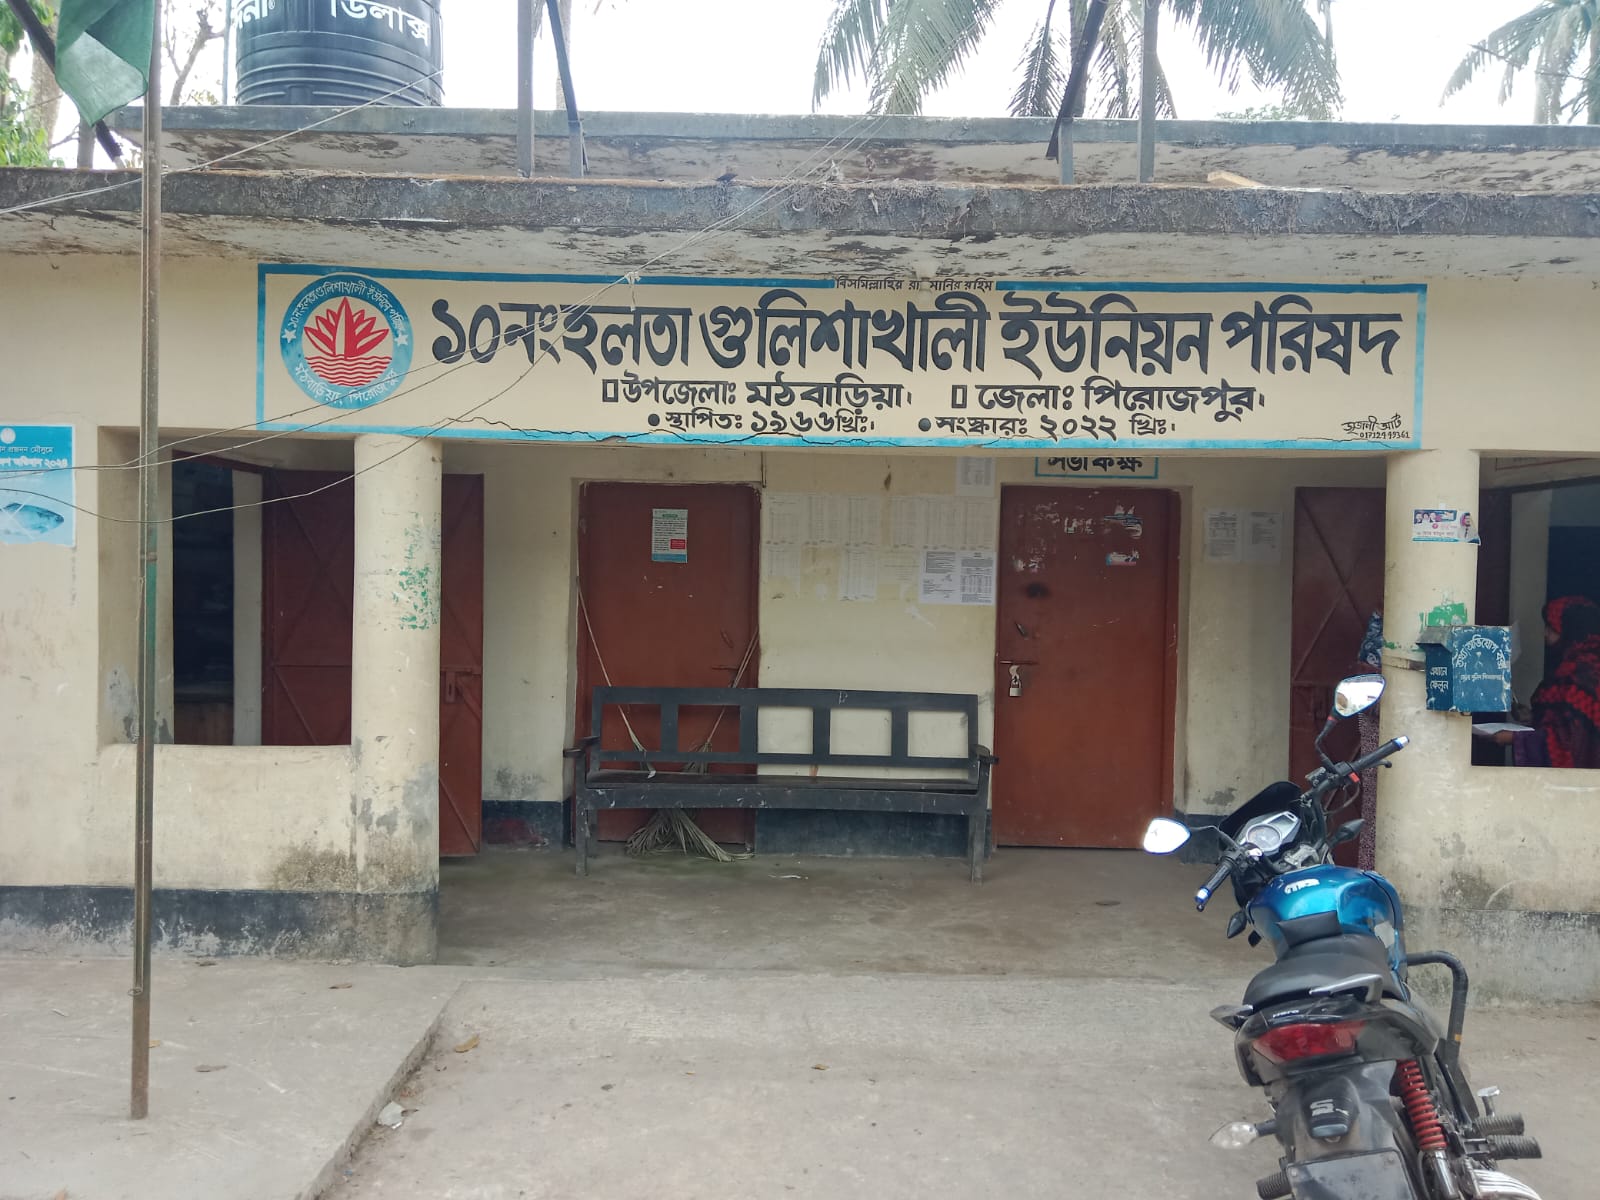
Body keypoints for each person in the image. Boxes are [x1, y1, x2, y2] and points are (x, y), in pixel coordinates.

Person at [1495, 596, 1600, 768]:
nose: (1545, 633)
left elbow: (1571, 744)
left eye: (1551, 628)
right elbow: (1562, 722)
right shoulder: (1566, 668)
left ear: (1571, 631)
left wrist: (1515, 738)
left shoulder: (1584, 676)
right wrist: (1532, 717)